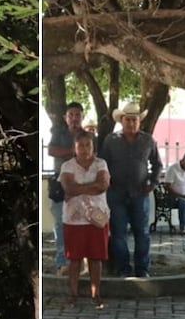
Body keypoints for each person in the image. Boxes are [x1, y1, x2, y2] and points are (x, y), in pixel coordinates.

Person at [99, 101, 161, 278]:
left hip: (140, 193)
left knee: (142, 233)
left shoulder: (148, 140)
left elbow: (157, 164)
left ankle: (142, 269)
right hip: (115, 193)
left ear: (139, 121)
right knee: (118, 234)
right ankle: (123, 268)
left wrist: (153, 182)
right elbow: (102, 164)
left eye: (134, 120)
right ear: (122, 121)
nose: (131, 123)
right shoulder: (111, 140)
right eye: (128, 120)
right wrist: (106, 182)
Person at [60, 130, 111, 308]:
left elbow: (103, 185)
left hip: (97, 217)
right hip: (73, 219)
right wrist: (91, 186)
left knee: (95, 258)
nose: (84, 149)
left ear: (93, 146)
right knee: (74, 259)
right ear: (74, 148)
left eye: (87, 145)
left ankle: (96, 294)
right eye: (80, 145)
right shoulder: (67, 166)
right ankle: (72, 294)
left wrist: (78, 188)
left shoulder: (101, 164)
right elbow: (68, 188)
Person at [47, 102, 85, 275]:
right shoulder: (58, 133)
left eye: (77, 115)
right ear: (65, 117)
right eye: (71, 115)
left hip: (82, 183)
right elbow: (52, 151)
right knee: (60, 224)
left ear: (82, 116)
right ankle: (62, 262)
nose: (74, 118)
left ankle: (79, 262)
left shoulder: (88, 136)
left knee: (81, 223)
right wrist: (74, 151)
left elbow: (90, 156)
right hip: (60, 183)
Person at [163, 150, 185, 234]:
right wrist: (182, 196)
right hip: (174, 197)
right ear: (184, 160)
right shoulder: (173, 169)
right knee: (183, 201)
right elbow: (168, 187)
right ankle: (183, 226)